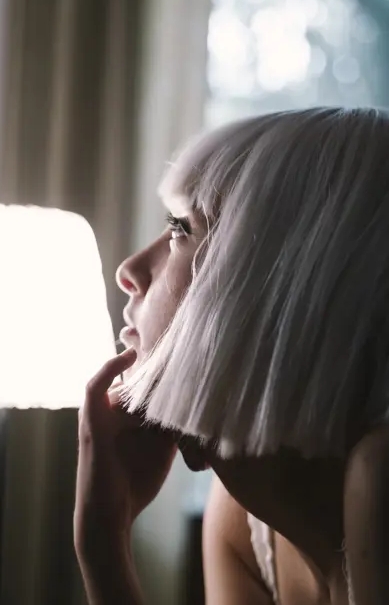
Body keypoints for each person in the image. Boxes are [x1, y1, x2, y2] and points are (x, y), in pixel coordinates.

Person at [74, 107, 389, 605]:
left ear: (277, 283)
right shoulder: (245, 518)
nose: (128, 270)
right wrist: (103, 548)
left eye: (180, 228)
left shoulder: (379, 472)